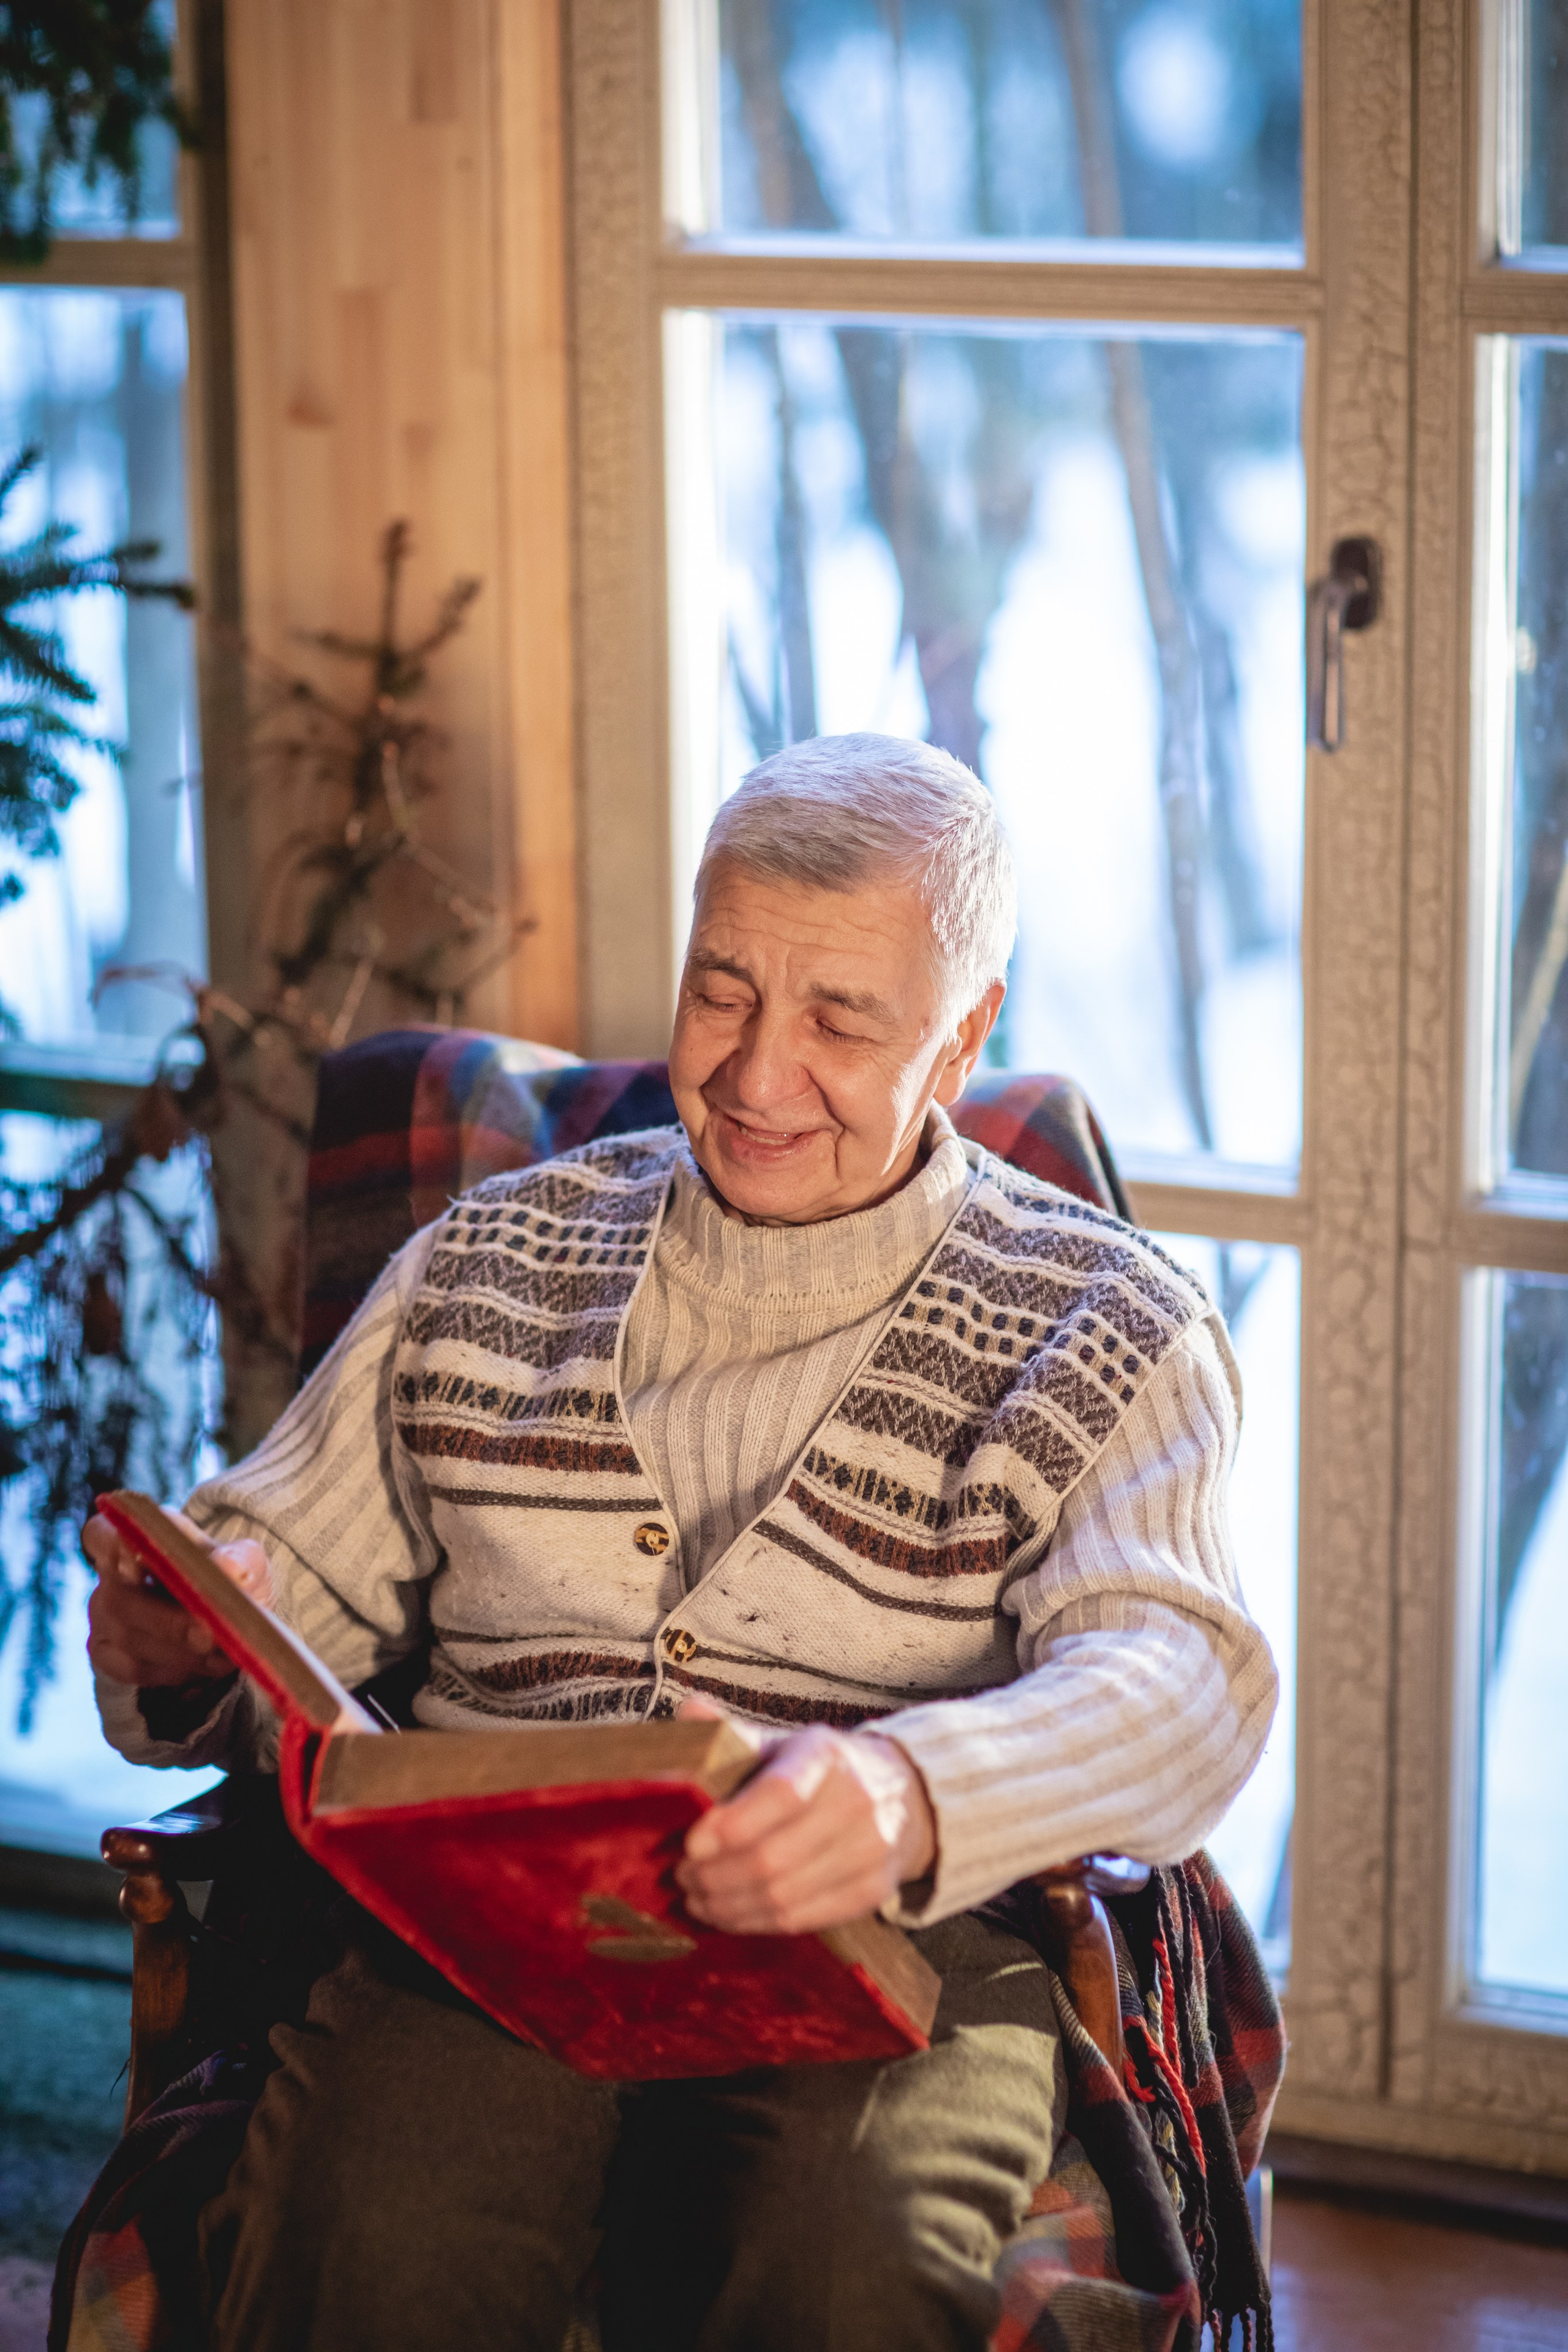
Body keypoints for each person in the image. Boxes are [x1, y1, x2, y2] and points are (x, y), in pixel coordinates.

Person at [85, 732, 1277, 2352]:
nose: (753, 1074)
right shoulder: (489, 1258)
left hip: (900, 1946)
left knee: (843, 2263)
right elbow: (275, 1568)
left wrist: (905, 1792)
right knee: (374, 2245)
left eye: (842, 1018)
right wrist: (184, 1636)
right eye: (720, 992)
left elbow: (1181, 1675)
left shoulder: (1107, 1321)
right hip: (491, 1923)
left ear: (962, 1037)